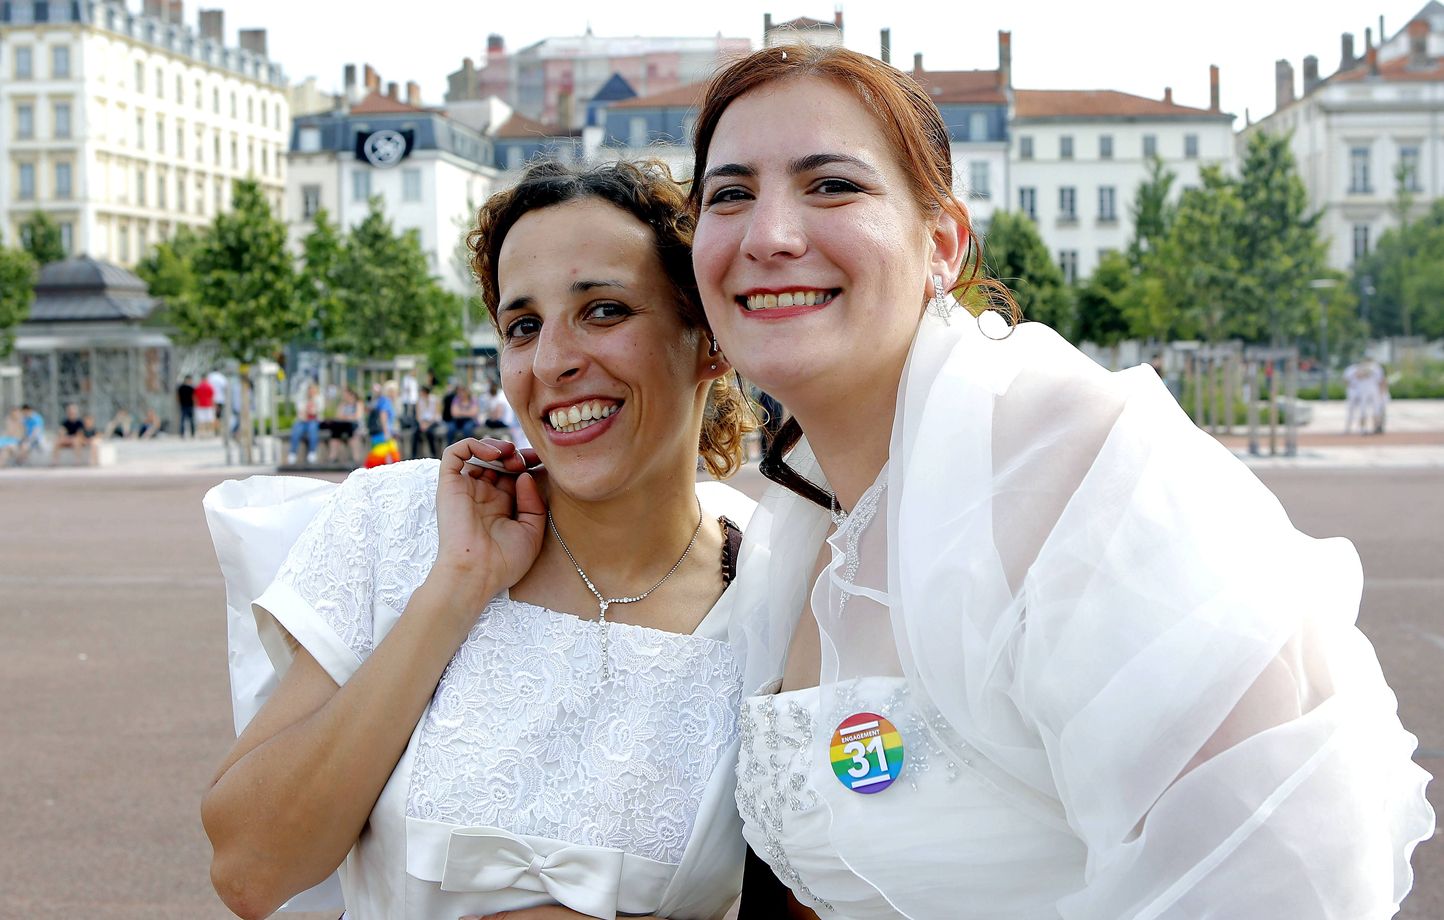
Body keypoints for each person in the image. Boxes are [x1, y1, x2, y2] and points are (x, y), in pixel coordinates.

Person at [688, 45, 1433, 918]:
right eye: (729, 194)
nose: (770, 233)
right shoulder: (803, 523)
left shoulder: (1083, 473)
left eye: (832, 186)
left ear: (941, 244)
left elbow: (1287, 873)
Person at [202, 158, 757, 919]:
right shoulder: (403, 524)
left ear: (712, 339)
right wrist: (456, 587)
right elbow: (250, 870)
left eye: (603, 310)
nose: (553, 361)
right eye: (522, 327)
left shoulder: (773, 585)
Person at [287, 382, 324, 465]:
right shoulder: (302, 399)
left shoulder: (319, 399)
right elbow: (300, 412)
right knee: (296, 430)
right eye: (310, 390)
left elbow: (316, 411)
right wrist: (307, 411)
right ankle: (292, 453)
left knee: (312, 429)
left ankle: (312, 452)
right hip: (302, 421)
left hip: (314, 421)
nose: (311, 392)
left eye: (313, 390)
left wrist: (310, 409)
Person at [411, 383, 445, 459]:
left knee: (430, 432)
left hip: (433, 421)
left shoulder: (435, 400)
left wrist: (428, 424)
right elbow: (418, 415)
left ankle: (433, 453)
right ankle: (414, 454)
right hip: (423, 422)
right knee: (415, 432)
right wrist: (421, 424)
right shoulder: (419, 401)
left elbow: (437, 414)